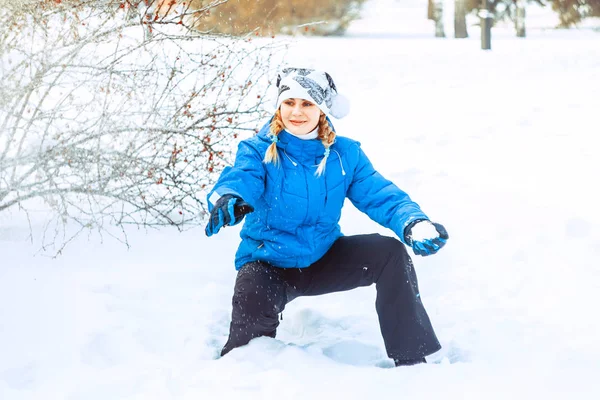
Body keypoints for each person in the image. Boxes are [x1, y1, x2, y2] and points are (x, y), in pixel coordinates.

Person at [205, 67, 449, 367]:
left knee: (390, 254)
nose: (296, 111)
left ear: (321, 110)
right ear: (279, 106)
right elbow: (241, 178)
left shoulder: (344, 154)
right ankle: (246, 369)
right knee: (251, 305)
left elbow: (380, 194)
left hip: (324, 256)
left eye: (307, 103)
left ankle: (413, 357)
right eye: (289, 102)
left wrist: (412, 222)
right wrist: (230, 197)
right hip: (270, 262)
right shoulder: (257, 151)